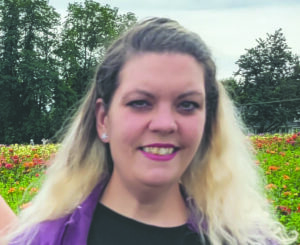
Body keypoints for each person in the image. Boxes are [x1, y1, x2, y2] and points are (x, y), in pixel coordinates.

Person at [6, 17, 297, 245]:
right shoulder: (45, 240)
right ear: (103, 119)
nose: (164, 123)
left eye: (187, 105)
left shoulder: (248, 242)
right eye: (141, 103)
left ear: (208, 122)